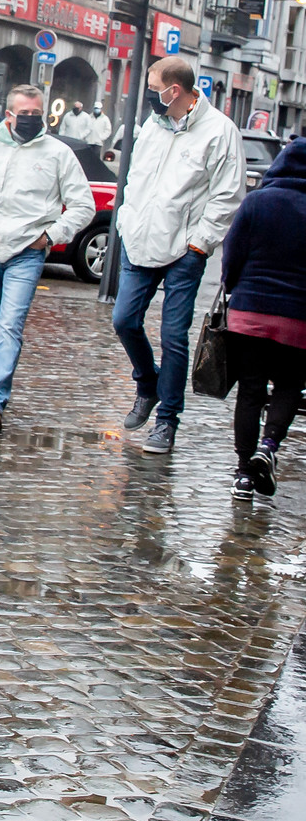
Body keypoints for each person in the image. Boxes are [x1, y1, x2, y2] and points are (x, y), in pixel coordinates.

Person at [115, 56, 246, 454]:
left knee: (174, 336)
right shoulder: (151, 128)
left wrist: (200, 243)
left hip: (184, 250)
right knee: (124, 320)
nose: (150, 96)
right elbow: (136, 179)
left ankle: (167, 420)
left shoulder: (220, 131)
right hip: (139, 240)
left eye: (154, 87)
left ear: (175, 90)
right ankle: (147, 384)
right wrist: (126, 219)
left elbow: (228, 194)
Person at [0, 85, 94, 435]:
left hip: (28, 251)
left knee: (10, 324)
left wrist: (50, 237)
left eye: (37, 113)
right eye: (25, 113)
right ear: (9, 115)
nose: (31, 119)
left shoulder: (58, 153)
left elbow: (83, 205)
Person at [220, 137, 306, 501]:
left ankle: (242, 475)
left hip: (249, 313)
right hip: (298, 319)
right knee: (289, 384)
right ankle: (268, 446)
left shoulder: (257, 202)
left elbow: (232, 254)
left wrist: (235, 288)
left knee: (250, 390)